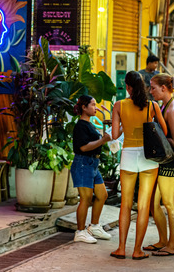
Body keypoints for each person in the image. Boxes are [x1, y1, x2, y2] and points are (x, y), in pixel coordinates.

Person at [110, 70, 167, 260]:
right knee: (143, 205)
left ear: (127, 87)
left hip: (128, 156)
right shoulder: (152, 105)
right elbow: (164, 130)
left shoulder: (119, 105)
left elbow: (115, 135)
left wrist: (123, 124)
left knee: (125, 204)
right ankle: (137, 251)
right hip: (147, 157)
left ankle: (121, 248)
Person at [146, 73, 174, 256]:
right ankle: (163, 240)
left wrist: (155, 138)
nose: (150, 91)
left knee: (169, 203)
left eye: (153, 87)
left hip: (170, 161)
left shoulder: (172, 109)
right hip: (163, 161)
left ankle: (172, 245)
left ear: (163, 88)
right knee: (154, 204)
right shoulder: (164, 106)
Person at [71, 95, 112, 244]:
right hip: (83, 163)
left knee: (102, 195)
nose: (96, 107)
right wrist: (103, 140)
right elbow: (83, 147)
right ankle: (80, 232)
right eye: (93, 105)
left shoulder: (89, 124)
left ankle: (94, 226)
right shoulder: (80, 126)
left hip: (93, 163)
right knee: (86, 198)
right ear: (84, 107)